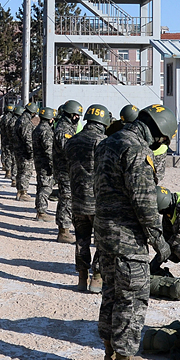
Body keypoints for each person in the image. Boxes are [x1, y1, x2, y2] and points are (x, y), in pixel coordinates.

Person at [93, 104, 177, 360]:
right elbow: (144, 201)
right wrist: (158, 239)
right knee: (132, 297)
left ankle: (110, 356)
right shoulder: (138, 150)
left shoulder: (107, 143)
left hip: (104, 232)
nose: (160, 144)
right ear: (157, 131)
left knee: (112, 294)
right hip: (127, 238)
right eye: (162, 139)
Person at [64, 104, 111, 293]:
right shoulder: (104, 142)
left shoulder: (72, 141)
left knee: (81, 240)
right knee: (101, 241)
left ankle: (82, 278)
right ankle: (97, 279)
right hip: (99, 202)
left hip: (77, 200)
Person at [53, 100, 83, 243]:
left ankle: (65, 228)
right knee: (66, 198)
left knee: (68, 198)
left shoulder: (68, 126)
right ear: (71, 114)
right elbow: (68, 149)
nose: (78, 118)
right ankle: (63, 232)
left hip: (67, 169)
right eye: (76, 116)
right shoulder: (64, 129)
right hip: (65, 170)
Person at [32, 107, 57, 222]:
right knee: (45, 187)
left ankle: (39, 209)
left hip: (39, 162)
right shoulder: (46, 131)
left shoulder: (37, 128)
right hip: (45, 164)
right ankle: (41, 212)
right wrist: (54, 165)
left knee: (41, 185)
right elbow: (49, 150)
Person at [12, 103, 36, 202]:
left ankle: (19, 191)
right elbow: (28, 139)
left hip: (18, 150)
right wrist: (31, 152)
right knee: (26, 172)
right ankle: (23, 193)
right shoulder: (26, 122)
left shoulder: (20, 120)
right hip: (24, 152)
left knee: (20, 171)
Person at [0, 104, 17, 184]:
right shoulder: (13, 119)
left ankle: (7, 170)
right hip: (11, 140)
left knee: (6, 154)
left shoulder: (3, 118)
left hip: (4, 139)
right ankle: (11, 173)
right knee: (12, 156)